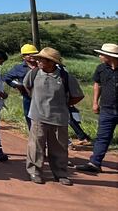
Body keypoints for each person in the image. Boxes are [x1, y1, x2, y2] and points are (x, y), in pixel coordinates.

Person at [24, 47, 84, 185]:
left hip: (59, 117)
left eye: (41, 59)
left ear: (51, 62)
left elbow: (78, 95)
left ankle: (60, 173)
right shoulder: (33, 73)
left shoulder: (65, 77)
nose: (38, 61)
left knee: (59, 147)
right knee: (36, 146)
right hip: (38, 116)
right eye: (38, 59)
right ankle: (34, 172)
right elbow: (27, 87)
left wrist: (64, 104)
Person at [76, 43, 118, 174]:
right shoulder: (101, 68)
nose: (100, 56)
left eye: (102, 54)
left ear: (109, 56)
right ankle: (95, 163)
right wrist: (95, 102)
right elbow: (97, 85)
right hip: (107, 108)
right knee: (102, 137)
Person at [3, 44, 39, 130]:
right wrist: (16, 85)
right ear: (23, 57)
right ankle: (32, 136)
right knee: (29, 116)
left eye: (34, 53)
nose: (31, 56)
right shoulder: (18, 68)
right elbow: (7, 78)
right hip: (28, 97)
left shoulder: (43, 65)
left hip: (44, 97)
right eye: (28, 54)